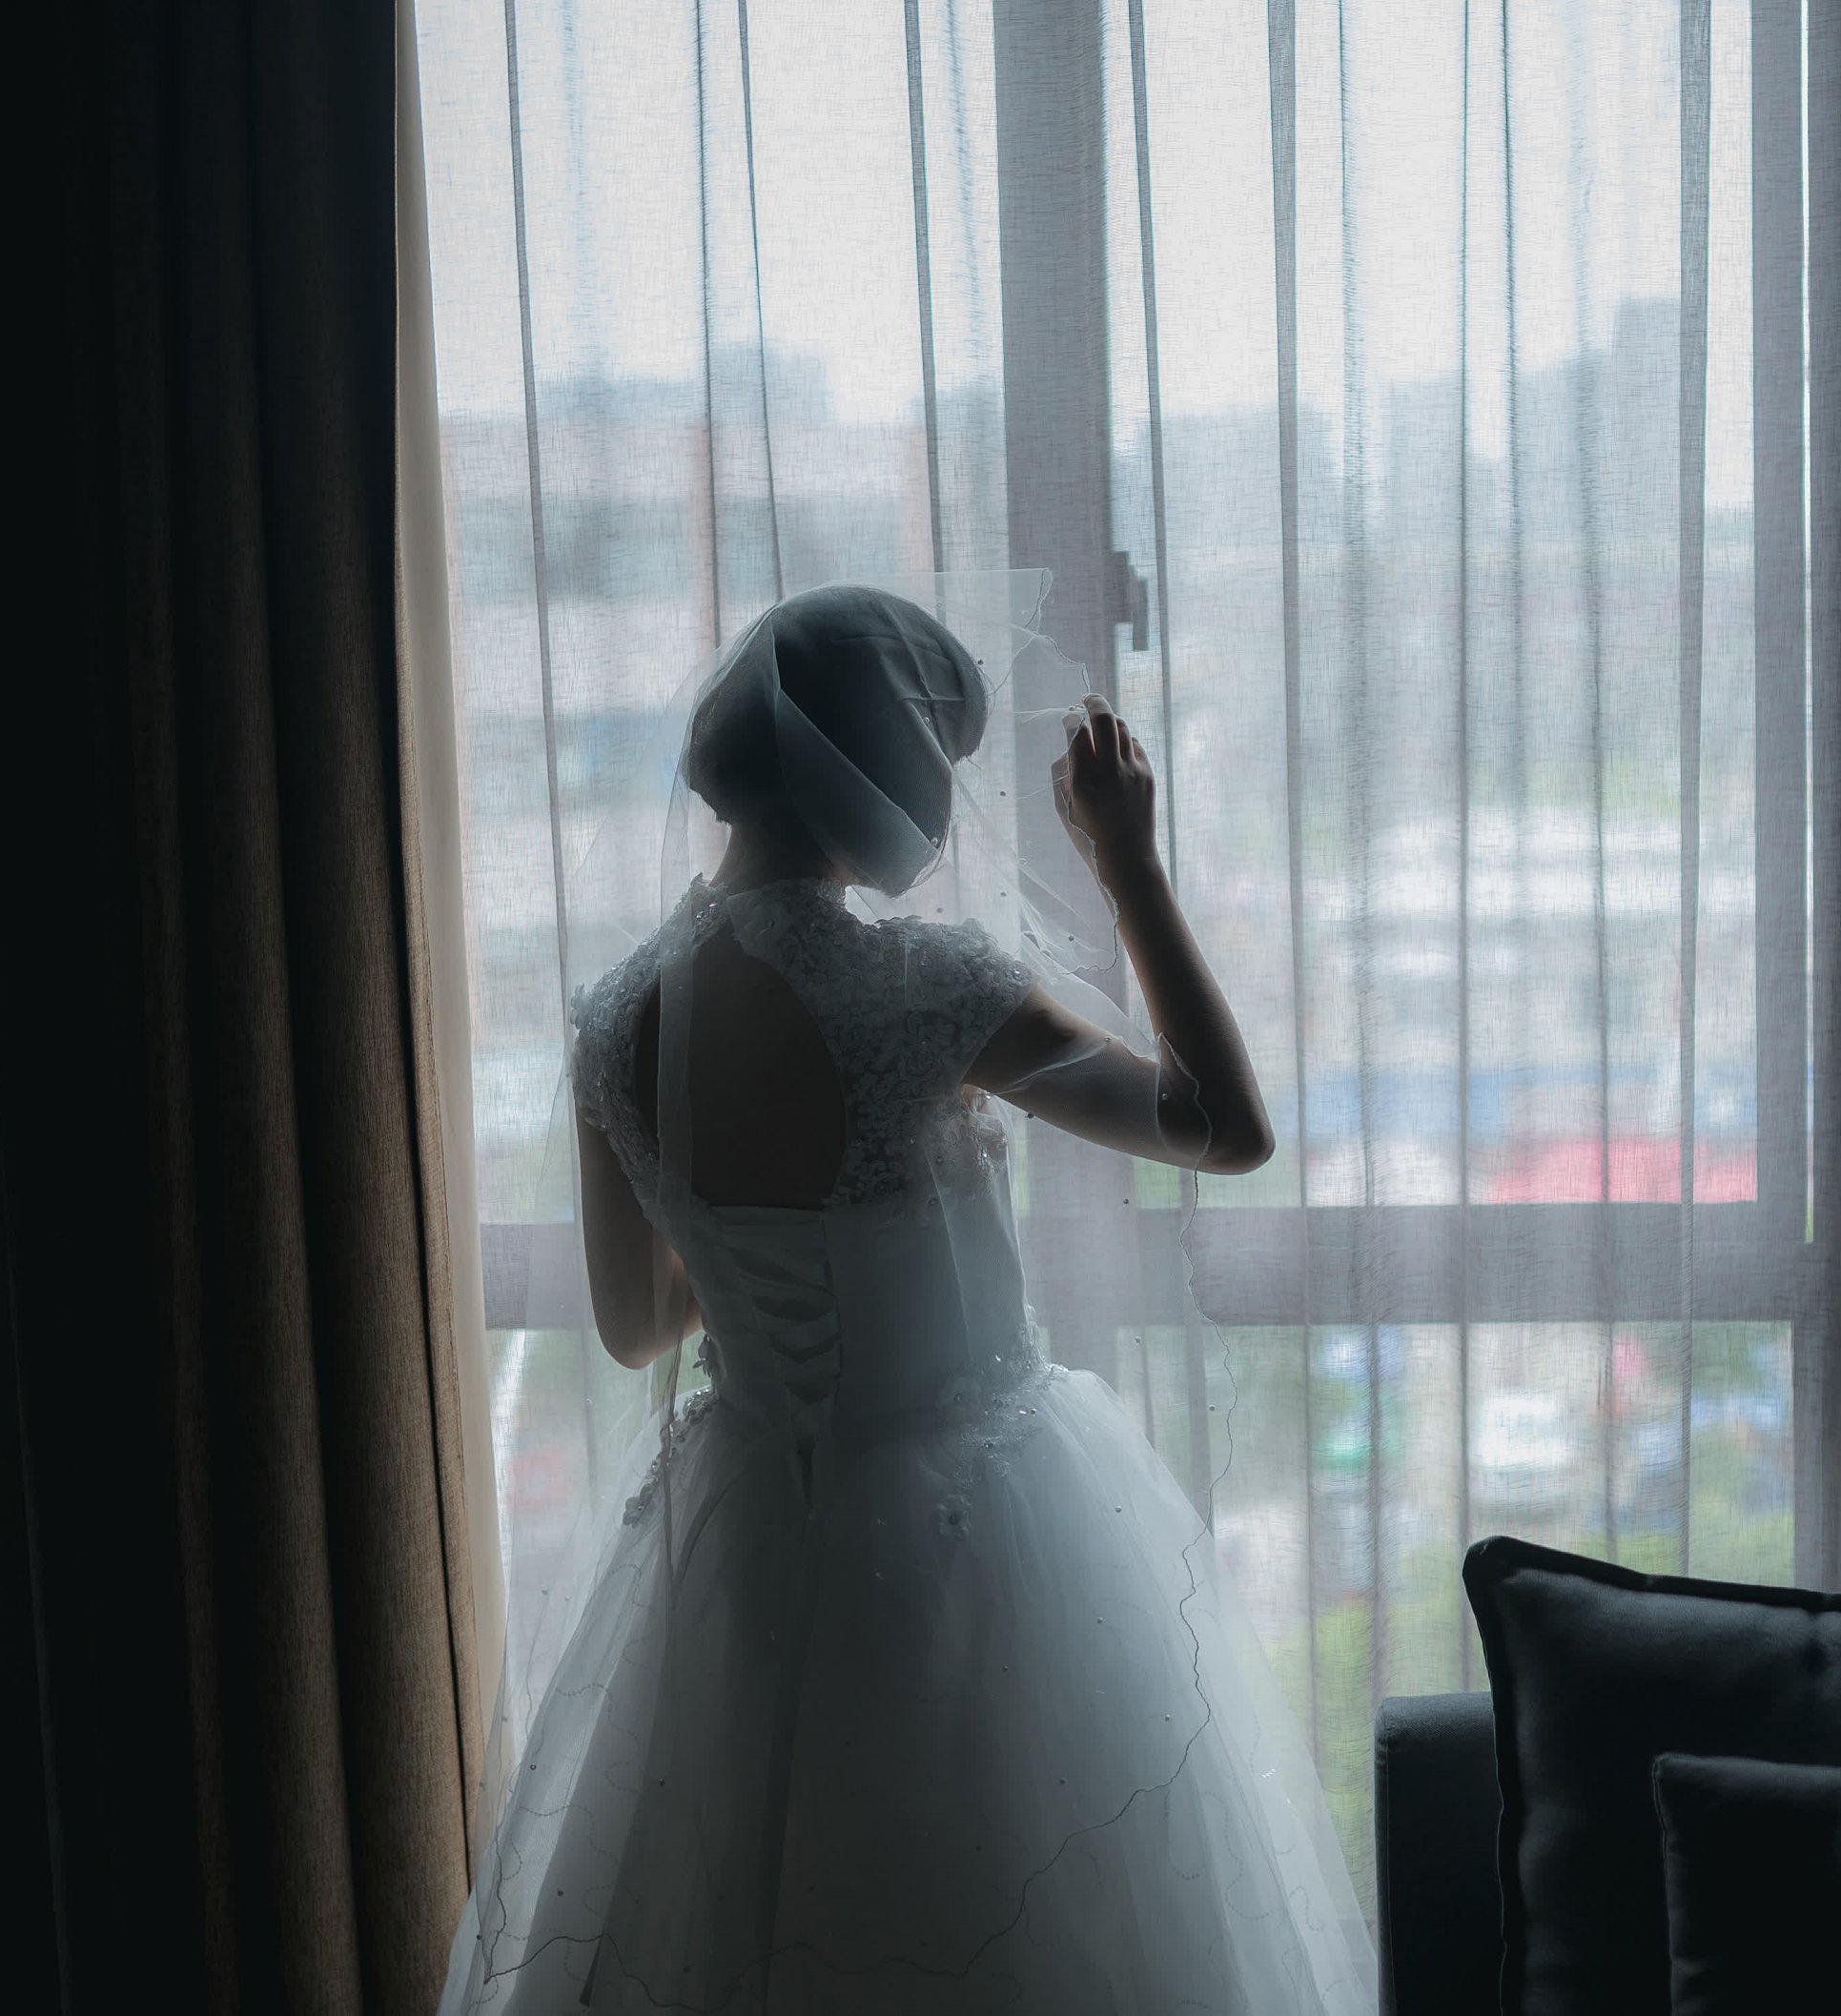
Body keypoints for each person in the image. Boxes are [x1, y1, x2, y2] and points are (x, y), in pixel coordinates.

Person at [440, 584, 1374, 2014]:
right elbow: (1222, 1128)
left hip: (745, 1548)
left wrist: (751, 1247)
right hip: (974, 1540)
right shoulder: (920, 989)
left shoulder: (617, 1021)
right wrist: (1127, 866)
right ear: (877, 768)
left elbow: (634, 1328)